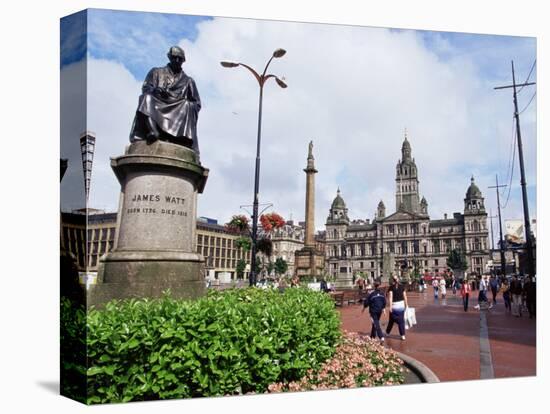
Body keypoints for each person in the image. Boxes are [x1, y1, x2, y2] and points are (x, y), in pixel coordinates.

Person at [129, 46, 202, 157]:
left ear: (183, 61)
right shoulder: (156, 72)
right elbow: (146, 88)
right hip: (158, 102)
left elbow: (196, 103)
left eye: (180, 59)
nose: (177, 61)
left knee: (187, 105)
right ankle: (153, 131)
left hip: (178, 107)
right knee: (146, 98)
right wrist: (156, 91)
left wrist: (184, 102)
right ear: (169, 57)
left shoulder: (188, 81)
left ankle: (177, 137)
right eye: (174, 57)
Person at [386, 276, 408, 341]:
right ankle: (402, 335)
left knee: (391, 320)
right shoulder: (402, 287)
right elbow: (405, 296)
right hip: (401, 306)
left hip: (394, 305)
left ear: (393, 280)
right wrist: (406, 305)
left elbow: (390, 298)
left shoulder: (391, 288)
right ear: (398, 280)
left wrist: (390, 307)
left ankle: (387, 332)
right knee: (401, 321)